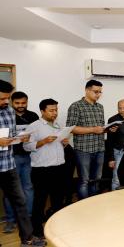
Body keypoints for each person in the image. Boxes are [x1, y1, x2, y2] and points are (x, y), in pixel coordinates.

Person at [0, 80, 45, 247]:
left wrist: (20, 138)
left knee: (20, 202)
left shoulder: (9, 112)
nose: (6, 102)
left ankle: (27, 239)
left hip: (8, 165)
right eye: (2, 98)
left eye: (7, 98)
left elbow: (10, 136)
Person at [23, 98, 69, 241]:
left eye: (56, 110)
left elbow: (59, 146)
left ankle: (56, 228)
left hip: (59, 168)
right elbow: (26, 146)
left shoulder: (57, 125)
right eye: (51, 110)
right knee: (40, 202)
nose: (54, 113)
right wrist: (43, 141)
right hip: (42, 170)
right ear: (42, 111)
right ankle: (37, 231)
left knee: (58, 201)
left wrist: (65, 143)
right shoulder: (33, 126)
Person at [66, 80, 117, 199]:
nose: (98, 95)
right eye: (96, 92)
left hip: (99, 148)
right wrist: (93, 129)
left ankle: (93, 204)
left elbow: (100, 128)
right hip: (83, 150)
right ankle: (83, 206)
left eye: (100, 92)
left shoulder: (100, 107)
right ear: (87, 90)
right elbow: (71, 128)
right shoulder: (76, 106)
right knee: (84, 180)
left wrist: (108, 129)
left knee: (96, 180)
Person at [2, 91, 38, 234]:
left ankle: (27, 217)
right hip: (10, 158)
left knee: (28, 188)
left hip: (29, 156)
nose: (21, 106)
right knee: (9, 191)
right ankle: (11, 219)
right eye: (17, 103)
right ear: (12, 102)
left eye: (23, 103)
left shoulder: (33, 116)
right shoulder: (7, 114)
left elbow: (37, 134)